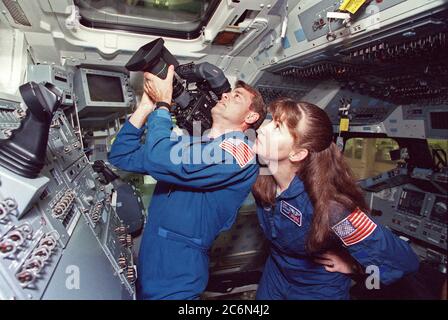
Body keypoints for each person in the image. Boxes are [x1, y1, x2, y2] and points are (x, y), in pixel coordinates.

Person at [108, 65, 266, 299]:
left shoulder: (239, 151)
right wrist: (146, 107)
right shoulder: (195, 144)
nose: (225, 95)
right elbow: (121, 155)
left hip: (179, 268)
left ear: (250, 117)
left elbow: (161, 158)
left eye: (236, 97)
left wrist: (163, 106)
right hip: (152, 256)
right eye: (228, 92)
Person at [251, 97, 419, 299]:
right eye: (270, 122)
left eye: (277, 127)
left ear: (297, 154)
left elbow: (404, 260)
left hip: (317, 286)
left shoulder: (332, 209)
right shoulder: (260, 173)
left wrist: (355, 266)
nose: (262, 129)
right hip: (276, 272)